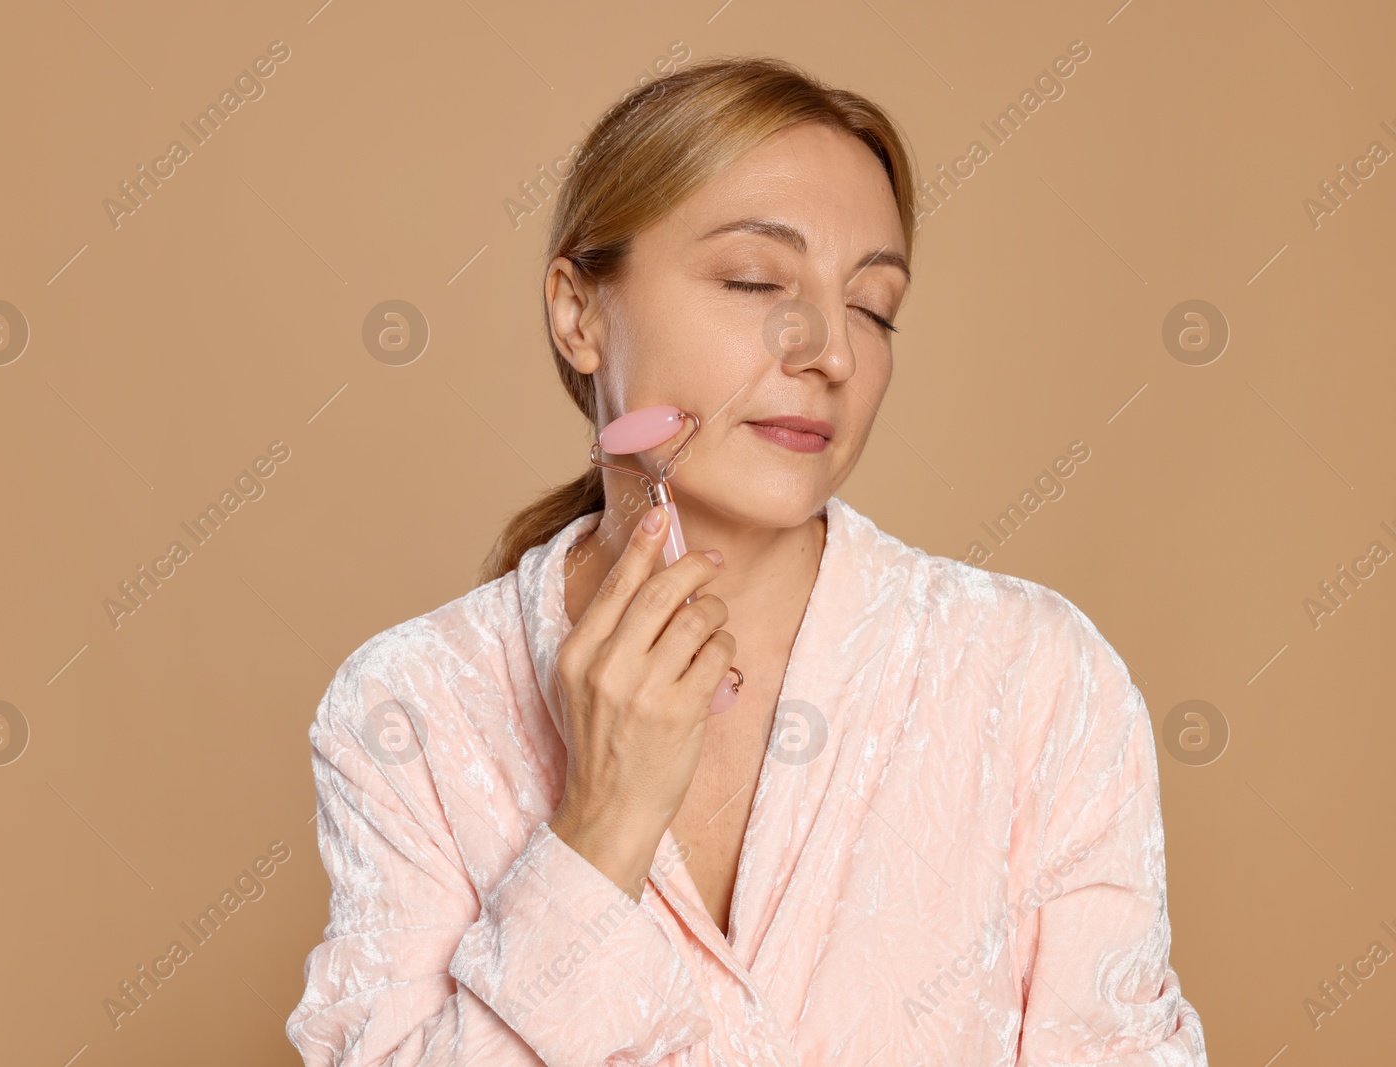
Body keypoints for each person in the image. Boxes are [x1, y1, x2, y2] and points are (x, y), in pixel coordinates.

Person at [286, 54, 1208, 1066]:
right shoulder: (409, 709)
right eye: (756, 280)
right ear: (578, 312)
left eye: (872, 306)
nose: (832, 353)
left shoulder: (1034, 676)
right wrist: (602, 827)